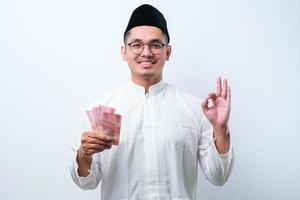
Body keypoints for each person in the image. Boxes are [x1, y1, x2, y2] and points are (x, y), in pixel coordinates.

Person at [70, 4, 234, 199]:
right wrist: (84, 155)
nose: (146, 52)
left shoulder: (194, 109)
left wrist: (220, 129)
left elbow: (218, 176)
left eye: (155, 45)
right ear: (124, 52)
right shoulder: (103, 108)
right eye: (137, 44)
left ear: (168, 52)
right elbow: (87, 182)